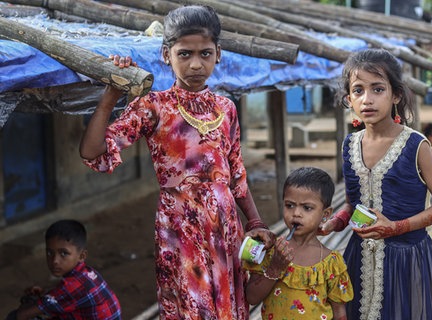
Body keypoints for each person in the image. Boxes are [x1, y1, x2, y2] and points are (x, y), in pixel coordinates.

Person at [79, 5, 273, 319]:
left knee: (228, 305)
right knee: (192, 305)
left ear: (218, 53)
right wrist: (111, 96)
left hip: (225, 225)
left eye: (205, 53)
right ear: (166, 54)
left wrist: (255, 221)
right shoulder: (153, 107)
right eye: (185, 54)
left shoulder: (227, 109)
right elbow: (92, 152)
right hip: (181, 225)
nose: (196, 64)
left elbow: (236, 174)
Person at [321, 49, 432, 319]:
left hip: (409, 257)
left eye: (378, 89)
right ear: (349, 99)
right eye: (358, 91)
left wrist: (396, 228)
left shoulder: (416, 145)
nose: (367, 99)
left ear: (395, 95)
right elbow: (352, 202)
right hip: (361, 256)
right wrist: (333, 223)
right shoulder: (350, 145)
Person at [244, 167, 354, 320]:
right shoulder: (269, 250)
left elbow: (339, 312)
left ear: (325, 214)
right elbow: (251, 297)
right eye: (289, 205)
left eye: (307, 208)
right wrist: (274, 269)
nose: (296, 213)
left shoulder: (332, 264)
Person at [6, 220, 121, 320]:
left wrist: (27, 307)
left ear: (82, 255)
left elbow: (23, 315)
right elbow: (66, 293)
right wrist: (45, 294)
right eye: (50, 253)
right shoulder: (88, 273)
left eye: (64, 253)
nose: (55, 260)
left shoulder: (71, 287)